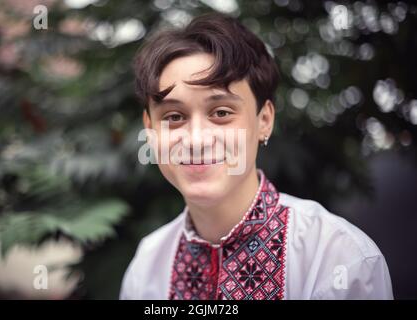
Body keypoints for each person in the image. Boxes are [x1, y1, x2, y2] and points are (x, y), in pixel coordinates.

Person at [120, 12, 393, 300]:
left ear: (264, 120)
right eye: (174, 116)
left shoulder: (338, 259)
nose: (196, 139)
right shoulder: (148, 267)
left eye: (221, 113)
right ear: (150, 129)